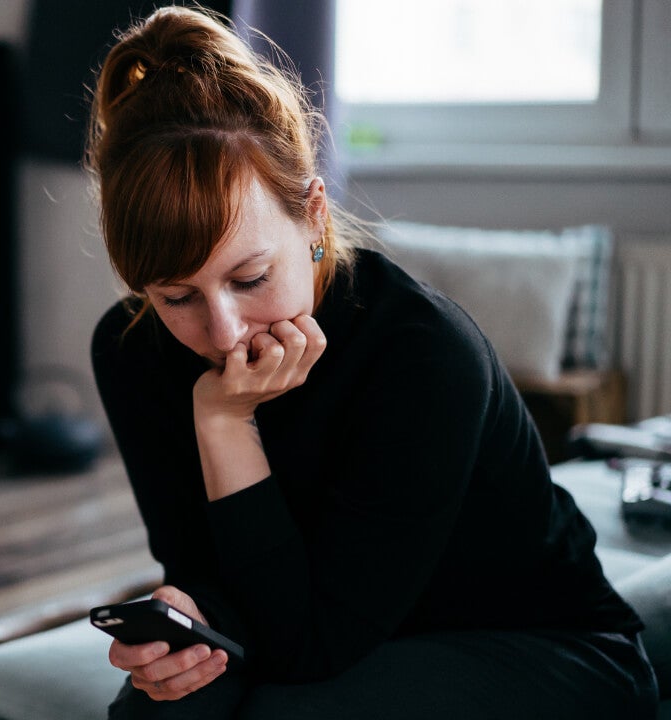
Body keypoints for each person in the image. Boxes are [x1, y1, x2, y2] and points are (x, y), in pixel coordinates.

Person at [86, 6, 657, 719]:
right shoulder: (132, 350)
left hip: (534, 646)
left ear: (314, 215)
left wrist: (227, 424)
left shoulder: (423, 355)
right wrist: (186, 630)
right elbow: (208, 576)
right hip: (324, 627)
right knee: (160, 709)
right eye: (176, 295)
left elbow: (308, 648)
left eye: (250, 278)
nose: (223, 329)